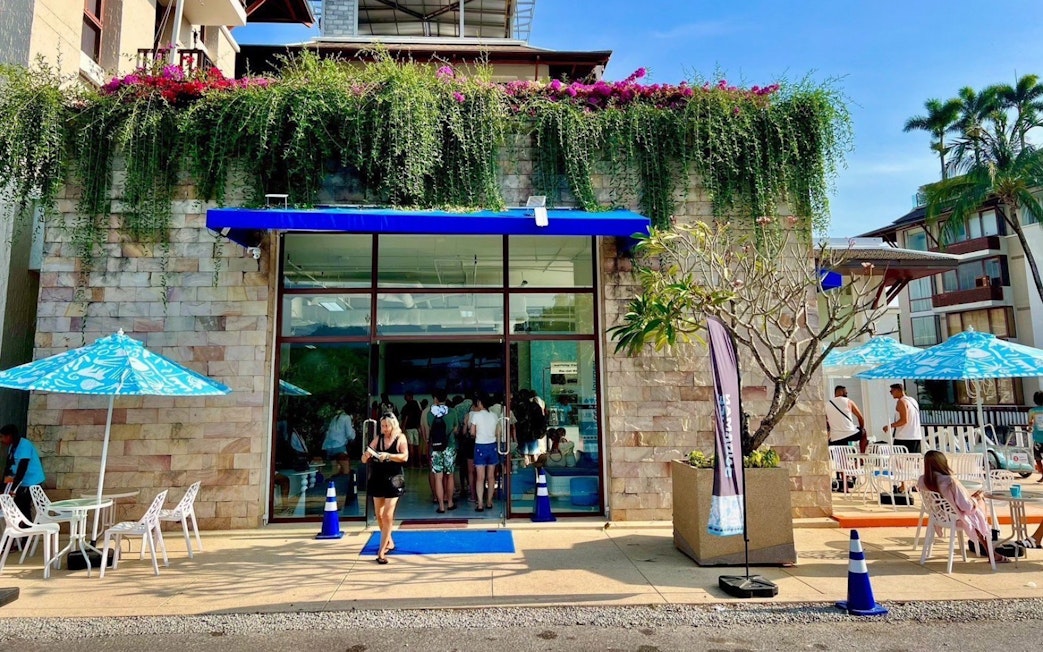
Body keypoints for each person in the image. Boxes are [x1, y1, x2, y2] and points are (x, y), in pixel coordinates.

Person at [918, 450, 1009, 564]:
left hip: (939, 516)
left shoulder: (922, 480)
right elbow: (966, 506)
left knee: (976, 510)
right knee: (979, 508)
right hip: (956, 517)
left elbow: (948, 501)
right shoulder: (949, 481)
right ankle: (990, 550)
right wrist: (976, 499)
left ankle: (989, 549)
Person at [361, 412, 408, 564]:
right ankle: (389, 540)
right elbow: (365, 456)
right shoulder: (378, 439)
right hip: (378, 477)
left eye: (387, 426)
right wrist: (367, 455)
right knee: (379, 515)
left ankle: (381, 551)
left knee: (388, 514)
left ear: (393, 425)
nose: (384, 428)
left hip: (394, 478)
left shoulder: (400, 438)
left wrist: (388, 455)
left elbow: (405, 456)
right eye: (382, 426)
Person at [1, 424, 45, 520]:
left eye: (2, 437)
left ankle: (27, 531)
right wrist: (3, 486)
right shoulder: (12, 447)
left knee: (24, 505)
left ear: (9, 436)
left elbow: (22, 468)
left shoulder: (25, 445)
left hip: (32, 481)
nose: (1, 440)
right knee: (18, 505)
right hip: (22, 482)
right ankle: (22, 529)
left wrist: (13, 488)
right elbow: (8, 466)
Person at [425, 391, 458, 513]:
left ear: (435, 399)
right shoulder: (452, 412)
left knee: (438, 477)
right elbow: (456, 429)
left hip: (436, 448)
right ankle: (449, 502)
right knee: (450, 476)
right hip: (449, 447)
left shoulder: (430, 414)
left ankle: (441, 506)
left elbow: (430, 428)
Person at [470, 394, 500, 511]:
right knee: (491, 477)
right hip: (492, 446)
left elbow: (472, 432)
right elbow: (498, 432)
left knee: (480, 477)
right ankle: (489, 502)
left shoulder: (476, 416)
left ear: (480, 403)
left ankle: (480, 503)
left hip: (480, 447)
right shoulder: (494, 415)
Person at [826, 385, 867, 453]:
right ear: (841, 392)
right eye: (846, 393)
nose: (847, 394)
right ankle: (862, 456)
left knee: (841, 447)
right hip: (850, 433)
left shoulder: (827, 404)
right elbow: (860, 417)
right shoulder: (848, 401)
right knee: (864, 433)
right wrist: (861, 428)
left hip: (835, 437)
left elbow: (825, 421)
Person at [400, 392, 423, 469]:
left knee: (411, 446)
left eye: (405, 396)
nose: (404, 398)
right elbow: (420, 414)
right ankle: (419, 463)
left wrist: (403, 427)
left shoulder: (406, 406)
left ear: (409, 397)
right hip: (417, 427)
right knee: (417, 445)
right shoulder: (417, 403)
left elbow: (406, 417)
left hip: (409, 428)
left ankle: (412, 464)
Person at [1029, 391, 1043, 482]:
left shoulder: (1032, 411)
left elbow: (1030, 424)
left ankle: (1042, 474)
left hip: (1038, 438)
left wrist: (1030, 428)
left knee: (1037, 458)